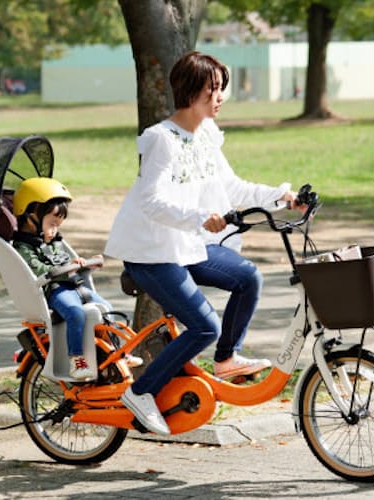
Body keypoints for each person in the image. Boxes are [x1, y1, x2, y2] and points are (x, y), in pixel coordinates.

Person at [104, 51, 303, 435]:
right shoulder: (162, 140)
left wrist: (281, 196)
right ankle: (141, 392)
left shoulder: (206, 135)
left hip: (188, 244)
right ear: (193, 90)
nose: (220, 96)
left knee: (248, 278)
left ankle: (227, 360)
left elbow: (232, 186)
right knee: (204, 326)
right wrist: (199, 218)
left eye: (221, 88)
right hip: (153, 251)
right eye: (214, 88)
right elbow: (151, 200)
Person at [12, 178, 142, 380]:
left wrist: (79, 263)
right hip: (55, 290)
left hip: (74, 286)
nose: (55, 229)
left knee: (107, 309)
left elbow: (62, 260)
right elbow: (39, 270)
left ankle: (119, 352)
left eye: (58, 224)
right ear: (31, 217)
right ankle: (77, 359)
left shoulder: (53, 241)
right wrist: (66, 268)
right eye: (52, 223)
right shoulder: (24, 247)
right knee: (75, 313)